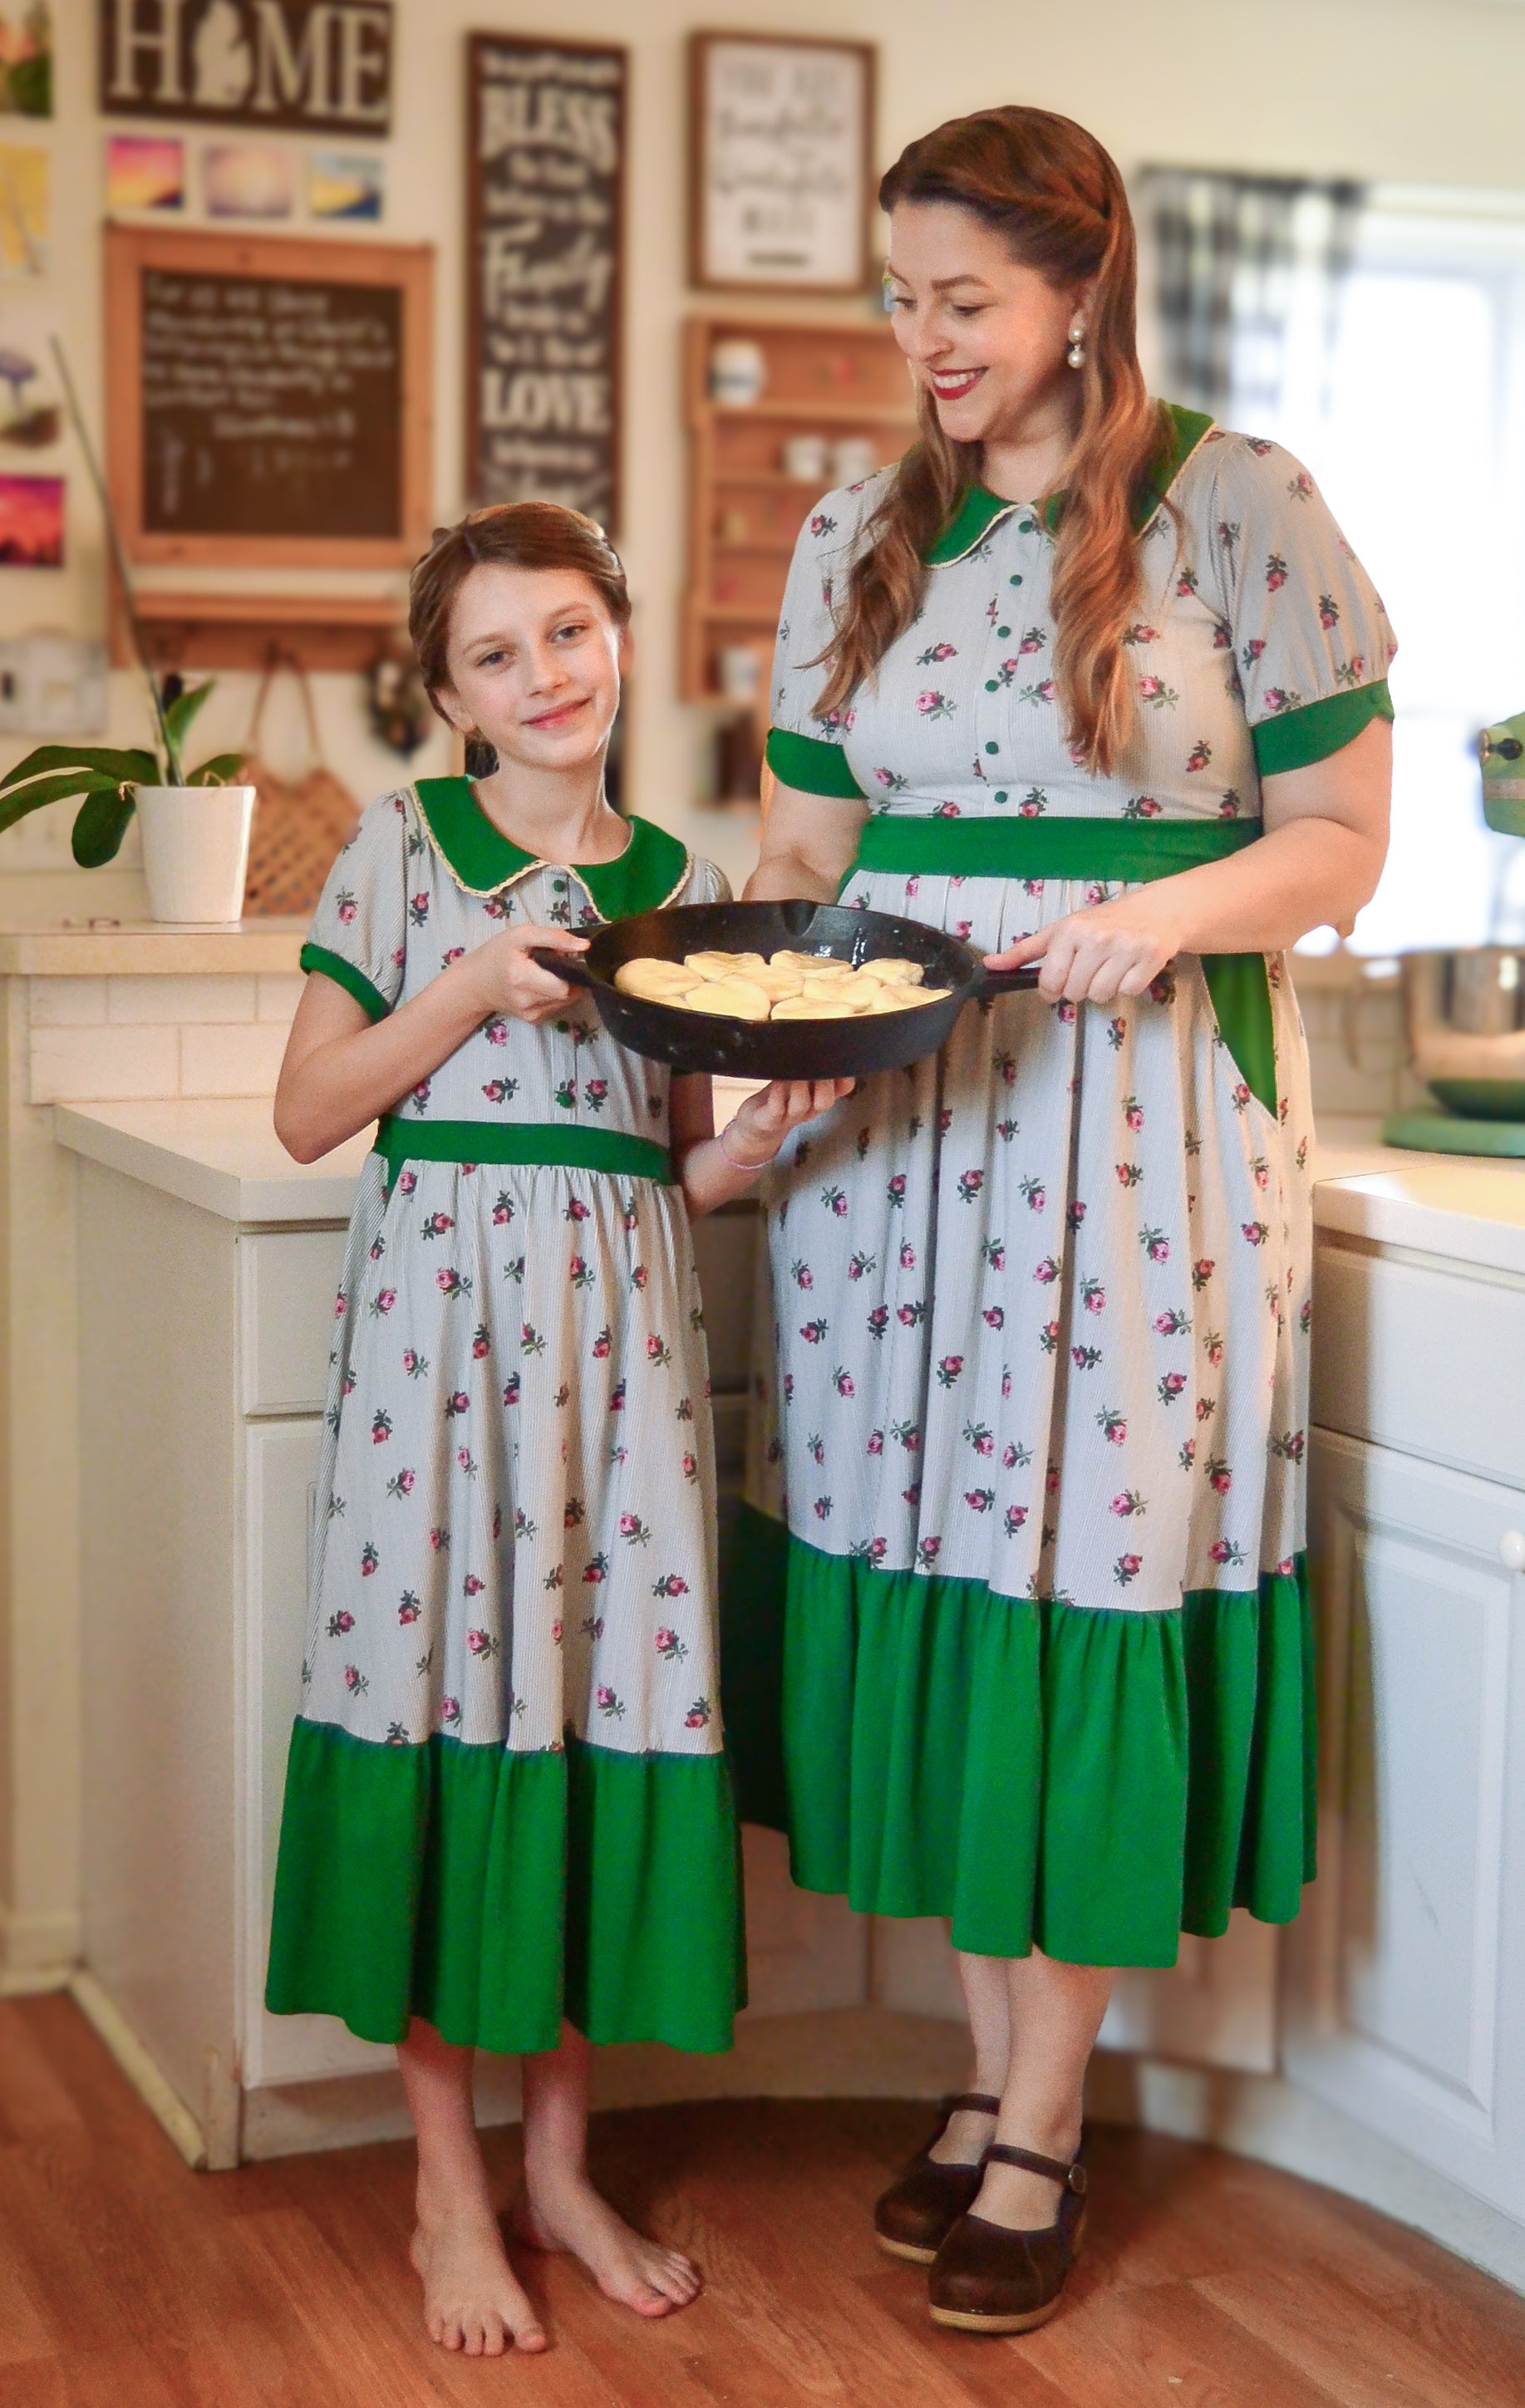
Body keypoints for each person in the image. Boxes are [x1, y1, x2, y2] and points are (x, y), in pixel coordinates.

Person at [728, 105, 1393, 2336]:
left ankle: (1040, 2119)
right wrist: (757, 1016)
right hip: (898, 1141)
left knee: (1085, 1561)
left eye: (965, 300)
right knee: (934, 1560)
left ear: (1082, 289)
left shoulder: (1241, 502)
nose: (923, 341)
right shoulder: (857, 531)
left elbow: (1342, 841)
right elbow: (807, 854)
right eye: (898, 299)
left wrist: (1169, 916)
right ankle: (978, 2070)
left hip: (1142, 1132)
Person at [264, 501, 848, 2359]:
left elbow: (671, 1164)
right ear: (448, 697)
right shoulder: (398, 850)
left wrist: (758, 1136)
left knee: (591, 1710)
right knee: (451, 1705)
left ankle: (563, 2175)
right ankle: (449, 2189)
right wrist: (465, 985)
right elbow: (308, 1111)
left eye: (570, 632)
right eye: (497, 655)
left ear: (619, 636)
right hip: (437, 1362)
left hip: (621, 1355)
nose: (544, 677)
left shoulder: (681, 880)